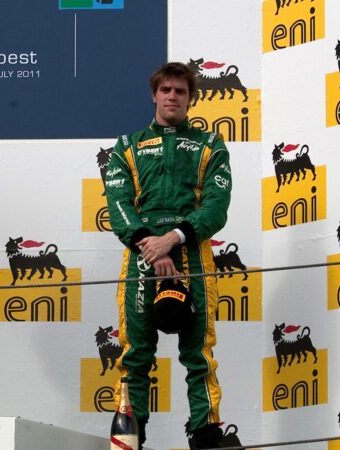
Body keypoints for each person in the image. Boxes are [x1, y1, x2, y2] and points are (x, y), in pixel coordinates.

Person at [104, 62, 232, 449]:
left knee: (199, 352)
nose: (172, 97)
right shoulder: (126, 145)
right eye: (166, 91)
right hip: (141, 252)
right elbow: (118, 203)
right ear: (154, 95)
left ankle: (206, 431)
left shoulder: (211, 145)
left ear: (191, 98)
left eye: (180, 91)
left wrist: (173, 239)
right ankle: (130, 431)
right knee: (135, 350)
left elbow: (216, 205)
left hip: (192, 251)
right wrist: (150, 243)